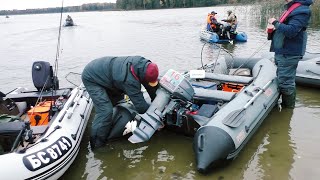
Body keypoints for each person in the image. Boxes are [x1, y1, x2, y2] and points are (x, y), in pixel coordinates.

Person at [81, 56, 159, 149]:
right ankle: (96, 144)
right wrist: (155, 119)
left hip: (108, 74)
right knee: (105, 111)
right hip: (92, 77)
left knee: (116, 101)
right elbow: (141, 107)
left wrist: (157, 102)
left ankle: (108, 129)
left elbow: (149, 86)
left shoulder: (143, 65)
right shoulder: (129, 80)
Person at [267, 0, 313, 108]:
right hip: (282, 50)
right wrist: (274, 28)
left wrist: (275, 22)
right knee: (282, 80)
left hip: (289, 52)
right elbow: (286, 27)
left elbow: (291, 31)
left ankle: (288, 110)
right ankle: (284, 106)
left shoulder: (302, 10)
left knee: (286, 83)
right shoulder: (293, 8)